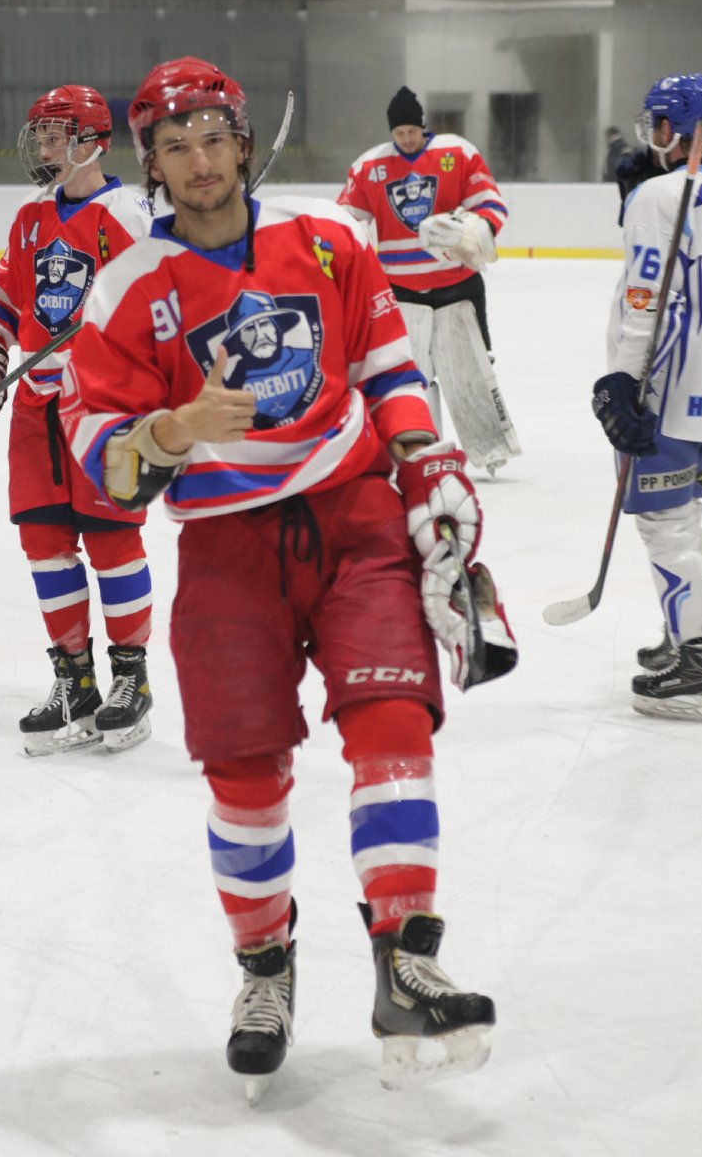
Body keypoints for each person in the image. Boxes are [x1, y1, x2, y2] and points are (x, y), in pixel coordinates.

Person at [58, 56, 518, 1099]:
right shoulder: (127, 289)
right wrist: (171, 430)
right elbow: (99, 456)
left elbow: (388, 368)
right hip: (227, 548)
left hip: (354, 516)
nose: (199, 161)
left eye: (213, 139)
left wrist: (427, 466)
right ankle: (265, 971)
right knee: (244, 773)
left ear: (243, 141)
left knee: (393, 723)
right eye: (175, 146)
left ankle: (406, 959)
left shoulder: (329, 240)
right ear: (152, 164)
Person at [0, 85, 156, 756]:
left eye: (54, 135)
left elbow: (154, 304)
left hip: (102, 407)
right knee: (44, 541)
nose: (43, 147)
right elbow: (5, 296)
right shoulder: (32, 216)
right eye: (39, 135)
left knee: (112, 538)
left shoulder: (126, 215)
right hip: (36, 406)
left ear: (91, 141)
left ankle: (131, 678)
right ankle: (76, 680)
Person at [592, 73, 702, 721]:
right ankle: (685, 631)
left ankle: (697, 668)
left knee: (665, 526)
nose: (651, 133)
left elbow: (650, 303)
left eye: (657, 122)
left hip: (667, 390)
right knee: (684, 518)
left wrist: (623, 383)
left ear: (677, 129)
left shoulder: (660, 196)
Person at [338, 86, 520, 477]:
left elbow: (491, 203)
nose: (406, 139)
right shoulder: (369, 167)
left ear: (423, 125)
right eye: (399, 132)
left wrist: (476, 230)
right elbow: (344, 221)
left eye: (412, 131)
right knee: (407, 377)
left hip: (458, 286)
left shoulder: (458, 153)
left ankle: (490, 447)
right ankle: (417, 449)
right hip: (399, 292)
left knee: (470, 372)